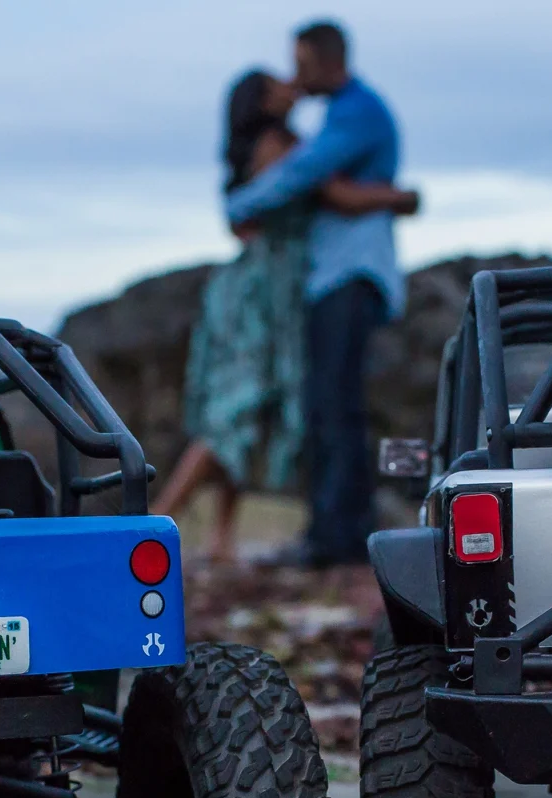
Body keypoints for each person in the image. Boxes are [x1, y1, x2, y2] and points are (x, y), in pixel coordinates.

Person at [153, 68, 418, 562]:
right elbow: (331, 192)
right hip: (262, 297)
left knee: (254, 412)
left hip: (277, 291)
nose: (292, 82)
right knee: (237, 411)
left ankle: (220, 538)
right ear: (263, 102)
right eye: (278, 83)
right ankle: (156, 524)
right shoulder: (280, 145)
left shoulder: (281, 141)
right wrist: (400, 197)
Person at [223, 21, 407, 568]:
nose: (296, 80)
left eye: (302, 66)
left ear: (329, 61)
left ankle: (339, 538)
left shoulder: (358, 112)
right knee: (328, 404)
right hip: (332, 274)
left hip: (350, 274)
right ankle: (337, 531)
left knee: (335, 404)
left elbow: (304, 173)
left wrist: (237, 205)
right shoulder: (341, 114)